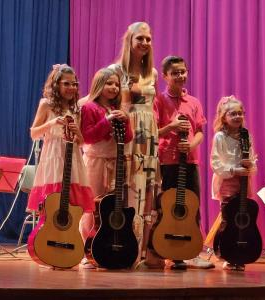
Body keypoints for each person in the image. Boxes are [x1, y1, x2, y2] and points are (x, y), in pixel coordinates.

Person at [150, 55, 214, 270]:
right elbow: (152, 132)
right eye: (175, 73)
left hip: (190, 162)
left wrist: (192, 145)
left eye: (183, 72)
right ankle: (165, 251)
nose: (180, 76)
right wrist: (171, 126)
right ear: (166, 76)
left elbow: (200, 132)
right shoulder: (158, 100)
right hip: (167, 162)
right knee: (166, 207)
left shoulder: (194, 102)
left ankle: (192, 252)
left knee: (192, 207)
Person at [27, 64, 95, 246]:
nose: (71, 88)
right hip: (53, 157)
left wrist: (76, 131)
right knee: (53, 202)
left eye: (74, 84)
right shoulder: (46, 104)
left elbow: (82, 142)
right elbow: (33, 133)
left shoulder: (76, 108)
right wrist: (52, 123)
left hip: (73, 159)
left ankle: (69, 241)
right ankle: (49, 241)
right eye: (67, 84)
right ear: (56, 85)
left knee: (72, 203)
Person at [109, 22, 159, 258]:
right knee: (127, 183)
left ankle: (141, 250)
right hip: (126, 130)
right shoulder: (115, 70)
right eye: (140, 38)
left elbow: (153, 106)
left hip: (148, 133)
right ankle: (119, 242)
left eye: (148, 39)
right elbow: (105, 98)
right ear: (129, 40)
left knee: (147, 186)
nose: (145, 43)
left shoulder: (153, 73)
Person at [211, 95, 257, 271]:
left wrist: (249, 166)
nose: (238, 117)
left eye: (240, 113)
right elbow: (216, 163)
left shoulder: (246, 135)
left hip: (244, 183)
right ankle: (229, 253)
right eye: (233, 114)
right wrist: (234, 170)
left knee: (243, 216)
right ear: (224, 117)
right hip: (227, 182)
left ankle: (242, 252)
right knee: (229, 218)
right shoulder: (220, 137)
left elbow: (252, 159)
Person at [81, 68, 133, 198]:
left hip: (116, 163)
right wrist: (107, 121)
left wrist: (126, 120)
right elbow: (88, 137)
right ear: (99, 84)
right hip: (96, 164)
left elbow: (127, 139)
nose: (114, 87)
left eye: (117, 85)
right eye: (109, 83)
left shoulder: (116, 109)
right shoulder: (89, 107)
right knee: (93, 203)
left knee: (110, 206)